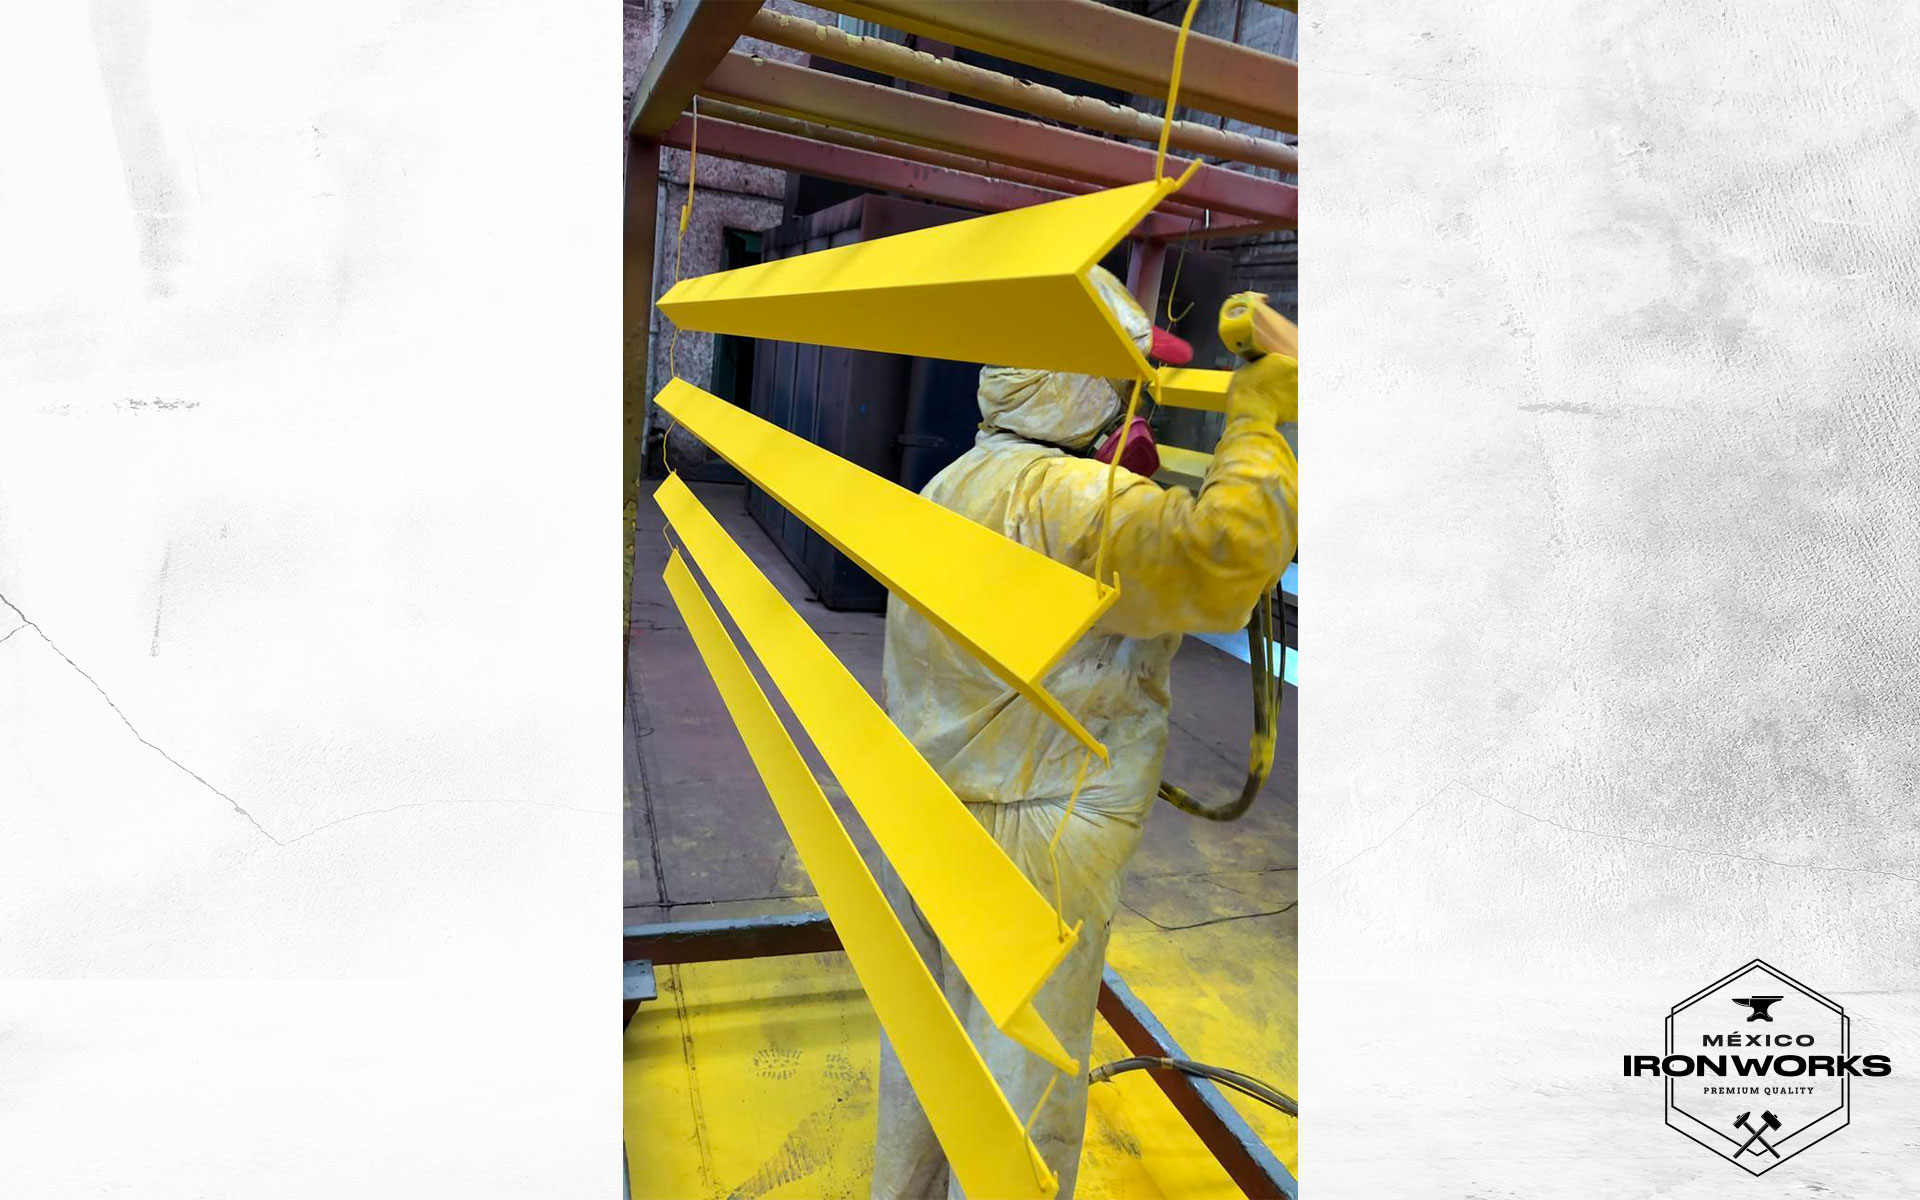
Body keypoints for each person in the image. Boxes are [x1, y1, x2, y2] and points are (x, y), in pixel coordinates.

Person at [872, 266, 1298, 1198]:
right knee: (1021, 1087)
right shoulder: (1077, 505)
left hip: (929, 812)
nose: (1131, 401)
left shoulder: (952, 481)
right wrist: (1258, 423)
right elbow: (1224, 559)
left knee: (930, 1053)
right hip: (1038, 836)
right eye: (1122, 380)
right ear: (1077, 384)